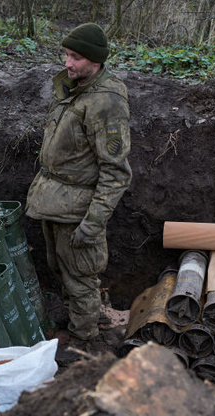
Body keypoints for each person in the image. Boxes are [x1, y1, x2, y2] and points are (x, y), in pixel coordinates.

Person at [25, 22, 132, 343]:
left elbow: (116, 172)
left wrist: (93, 224)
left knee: (81, 278)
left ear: (96, 61)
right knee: (59, 268)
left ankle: (83, 342)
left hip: (78, 211)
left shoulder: (106, 102)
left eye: (76, 57)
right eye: (66, 55)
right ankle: (79, 317)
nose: (67, 63)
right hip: (54, 199)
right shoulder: (74, 87)